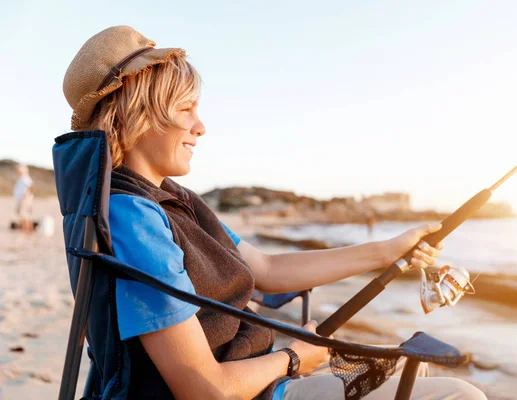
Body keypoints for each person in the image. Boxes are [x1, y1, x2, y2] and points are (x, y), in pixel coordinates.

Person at [62, 26, 487, 400]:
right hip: (248, 388)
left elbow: (267, 268)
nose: (200, 126)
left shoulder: (172, 198)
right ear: (138, 114)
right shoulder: (134, 220)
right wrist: (294, 357)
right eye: (185, 108)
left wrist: (389, 250)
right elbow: (202, 389)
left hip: (260, 380)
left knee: (414, 372)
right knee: (459, 394)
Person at [13, 164, 34, 234]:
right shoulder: (21, 178)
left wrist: (26, 196)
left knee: (24, 214)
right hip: (21, 199)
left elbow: (31, 187)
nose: (18, 172)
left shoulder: (25, 178)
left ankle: (26, 230)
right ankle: (26, 229)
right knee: (22, 214)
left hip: (24, 200)